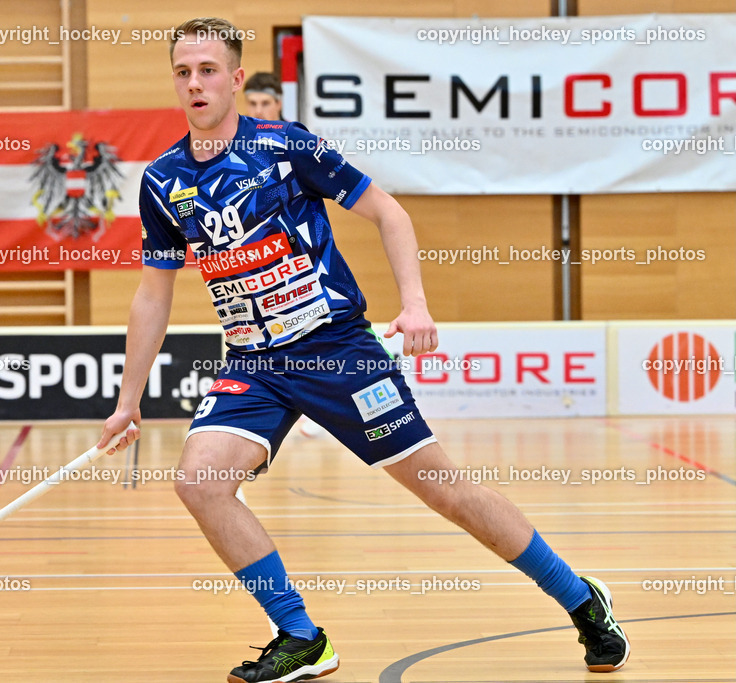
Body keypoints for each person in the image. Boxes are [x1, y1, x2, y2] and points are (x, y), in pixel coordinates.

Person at [99, 16, 630, 683]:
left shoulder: (286, 147)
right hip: (253, 363)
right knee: (200, 482)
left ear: (236, 79)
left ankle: (581, 599)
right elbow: (153, 295)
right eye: (183, 72)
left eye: (208, 70)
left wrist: (415, 303)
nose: (195, 83)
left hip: (336, 349)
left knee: (445, 490)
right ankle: (300, 635)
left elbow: (389, 212)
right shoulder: (163, 180)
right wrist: (128, 400)